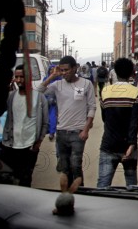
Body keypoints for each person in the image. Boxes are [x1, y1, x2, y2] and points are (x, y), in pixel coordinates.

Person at [38, 55, 97, 186]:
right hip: (61, 133)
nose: (64, 73)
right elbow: (39, 91)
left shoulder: (86, 84)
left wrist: (86, 130)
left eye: (66, 70)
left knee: (76, 166)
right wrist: (52, 76)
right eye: (62, 70)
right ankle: (67, 194)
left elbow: (92, 107)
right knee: (65, 168)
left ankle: (80, 192)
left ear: (75, 68)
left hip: (78, 133)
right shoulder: (57, 85)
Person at [96, 57, 138, 188]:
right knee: (131, 185)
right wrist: (132, 144)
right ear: (131, 73)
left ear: (115, 72)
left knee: (103, 185)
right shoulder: (136, 92)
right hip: (129, 147)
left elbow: (104, 118)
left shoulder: (105, 91)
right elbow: (135, 122)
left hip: (108, 145)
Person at [0, 65, 49, 187]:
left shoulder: (39, 97)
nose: (19, 80)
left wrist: (38, 143)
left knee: (25, 180)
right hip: (10, 145)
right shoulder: (11, 96)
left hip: (29, 146)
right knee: (9, 179)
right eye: (17, 77)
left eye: (22, 77)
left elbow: (45, 122)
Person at [44, 64, 60, 141]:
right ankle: (50, 131)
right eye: (51, 69)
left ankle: (52, 132)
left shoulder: (58, 79)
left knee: (52, 116)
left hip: (54, 101)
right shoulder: (46, 79)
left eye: (53, 69)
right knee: (48, 117)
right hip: (47, 100)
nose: (52, 71)